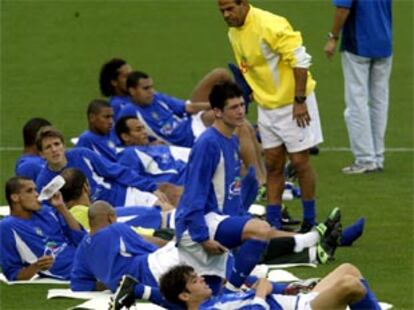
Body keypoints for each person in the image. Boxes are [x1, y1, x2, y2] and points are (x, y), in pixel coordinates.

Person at [175, 81, 339, 296]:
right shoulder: (208, 143)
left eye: (242, 105)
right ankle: (304, 243)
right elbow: (194, 193)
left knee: (209, 301)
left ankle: (307, 241)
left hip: (217, 222)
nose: (241, 111)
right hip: (199, 225)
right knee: (259, 231)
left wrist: (241, 217)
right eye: (233, 107)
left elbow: (230, 192)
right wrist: (201, 236)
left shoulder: (231, 140)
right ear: (216, 112)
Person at [217, 0, 323, 233]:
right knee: (273, 163)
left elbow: (300, 60)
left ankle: (310, 221)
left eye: (230, 9)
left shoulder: (270, 24)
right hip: (267, 106)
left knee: (299, 162)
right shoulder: (234, 32)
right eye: (222, 10)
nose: (226, 15)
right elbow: (246, 68)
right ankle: (274, 222)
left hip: (293, 104)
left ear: (243, 4)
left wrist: (299, 101)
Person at [119, 69, 267, 185]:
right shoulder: (129, 111)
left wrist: (218, 105)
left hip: (190, 123)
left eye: (151, 87)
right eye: (146, 88)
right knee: (241, 126)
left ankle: (263, 174)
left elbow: (186, 107)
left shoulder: (156, 98)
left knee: (221, 75)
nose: (151, 91)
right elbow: (122, 137)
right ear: (132, 91)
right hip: (188, 140)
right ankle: (259, 179)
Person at [70, 201, 182, 308]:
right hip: (149, 272)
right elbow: (150, 250)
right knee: (185, 248)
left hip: (139, 279)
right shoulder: (116, 229)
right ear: (111, 217)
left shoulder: (83, 247)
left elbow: (78, 283)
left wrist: (110, 283)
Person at [324, 0, 392, 174]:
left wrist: (333, 37)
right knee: (380, 102)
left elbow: (342, 8)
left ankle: (365, 159)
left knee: (357, 102)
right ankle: (377, 156)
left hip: (359, 44)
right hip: (384, 42)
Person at [35, 126, 173, 210]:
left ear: (63, 146)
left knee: (168, 211)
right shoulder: (44, 182)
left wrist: (150, 187)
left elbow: (117, 171)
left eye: (56, 144)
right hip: (100, 218)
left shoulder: (83, 154)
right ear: (41, 154)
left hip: (125, 196)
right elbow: (48, 211)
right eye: (48, 147)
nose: (54, 150)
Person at [156, 263, 381, 310]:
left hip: (296, 302)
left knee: (348, 269)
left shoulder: (215, 300)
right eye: (195, 280)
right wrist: (262, 292)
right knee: (351, 286)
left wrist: (281, 288)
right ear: (185, 296)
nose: (202, 279)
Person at [0, 176, 85, 280]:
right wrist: (36, 266)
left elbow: (80, 238)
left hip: (85, 254)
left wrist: (61, 207)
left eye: (35, 190)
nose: (36, 194)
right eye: (29, 191)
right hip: (70, 269)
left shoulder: (46, 212)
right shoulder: (7, 226)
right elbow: (12, 273)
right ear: (15, 198)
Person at [59, 167, 175, 241]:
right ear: (86, 187)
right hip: (158, 229)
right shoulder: (87, 213)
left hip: (156, 225)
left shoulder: (72, 216)